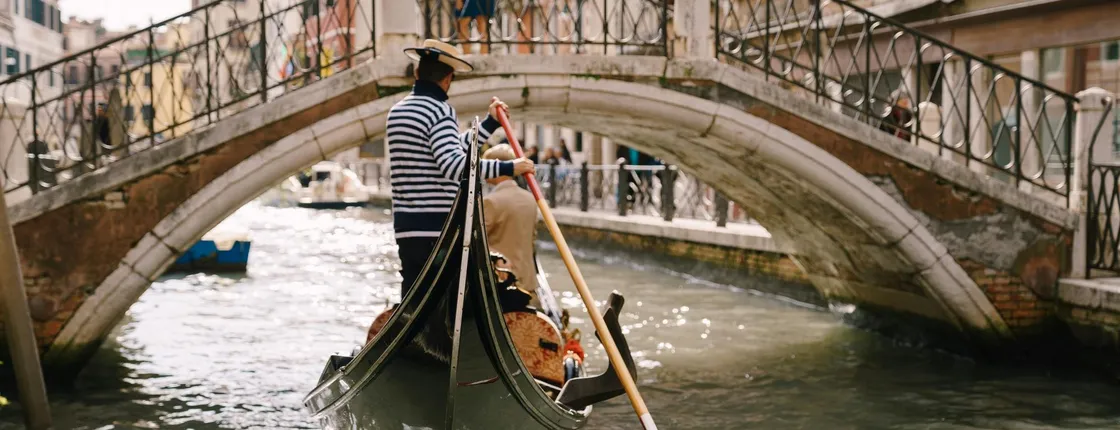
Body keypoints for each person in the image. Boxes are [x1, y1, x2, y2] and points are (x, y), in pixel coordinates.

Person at [389, 39, 535, 297]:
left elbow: (451, 148)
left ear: (416, 73)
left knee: (413, 299)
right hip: (438, 230)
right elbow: (456, 167)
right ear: (448, 79)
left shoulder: (398, 112)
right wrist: (509, 167)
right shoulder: (439, 110)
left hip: (407, 228)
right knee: (448, 306)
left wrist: (490, 123)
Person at [481, 144, 540, 307]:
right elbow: (532, 240)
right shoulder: (530, 199)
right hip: (528, 280)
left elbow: (479, 242)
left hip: (503, 282)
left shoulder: (490, 202)